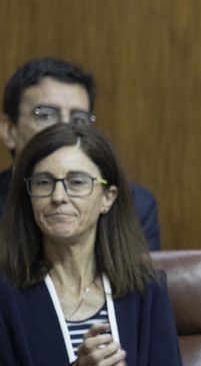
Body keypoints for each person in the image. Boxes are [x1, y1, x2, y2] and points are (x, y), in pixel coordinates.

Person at [0, 123, 181, 365]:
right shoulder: (6, 294)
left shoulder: (147, 290)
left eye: (77, 182)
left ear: (107, 197)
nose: (58, 197)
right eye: (43, 182)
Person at [0, 58, 161, 249]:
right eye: (46, 115)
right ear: (9, 130)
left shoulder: (134, 205)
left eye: (78, 119)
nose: (65, 128)